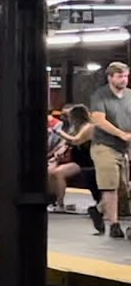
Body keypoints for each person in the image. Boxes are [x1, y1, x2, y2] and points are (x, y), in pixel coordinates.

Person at [88, 62, 131, 237]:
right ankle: (114, 225)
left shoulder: (129, 95)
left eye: (126, 76)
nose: (124, 80)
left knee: (123, 188)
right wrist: (121, 134)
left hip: (124, 148)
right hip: (104, 146)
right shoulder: (100, 96)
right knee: (110, 184)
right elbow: (98, 120)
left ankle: (98, 210)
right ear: (110, 77)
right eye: (120, 76)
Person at [46, 104, 95, 213]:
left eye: (70, 117)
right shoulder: (74, 128)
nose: (68, 119)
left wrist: (59, 132)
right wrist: (57, 153)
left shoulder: (88, 128)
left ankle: (60, 204)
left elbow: (75, 140)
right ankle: (52, 200)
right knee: (49, 171)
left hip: (84, 160)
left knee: (59, 173)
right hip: (73, 158)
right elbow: (65, 143)